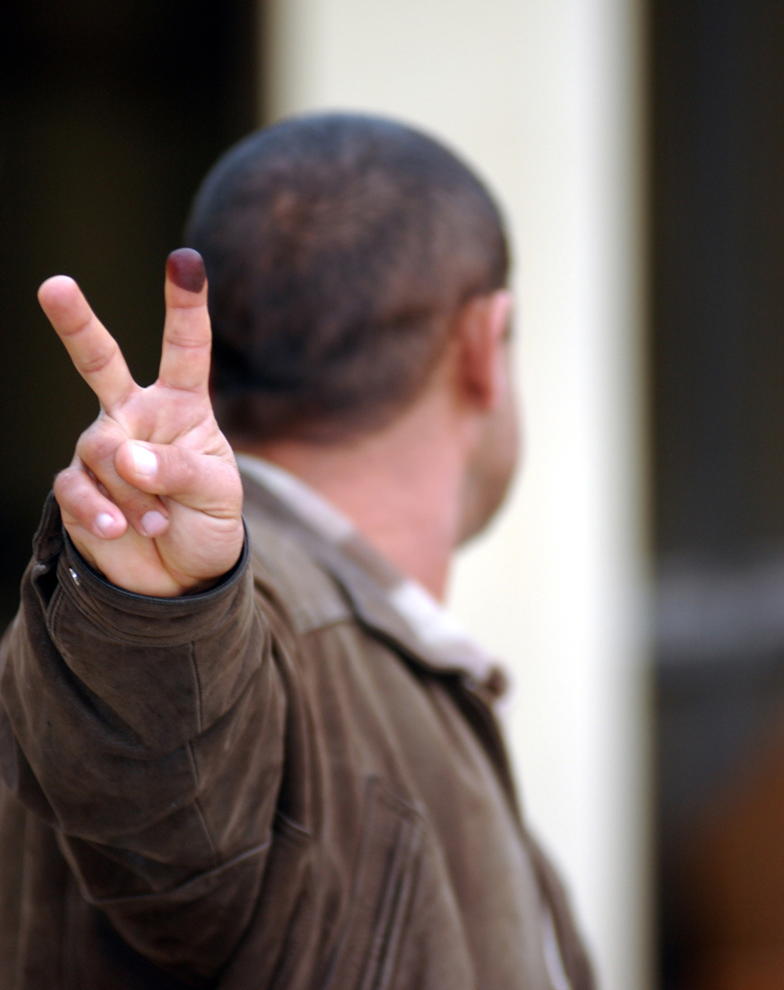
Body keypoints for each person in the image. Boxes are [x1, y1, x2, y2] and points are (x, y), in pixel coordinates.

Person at [0, 112, 593, 989]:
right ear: (482, 346)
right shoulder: (245, 625)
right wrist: (152, 615)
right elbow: (167, 790)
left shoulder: (379, 649)